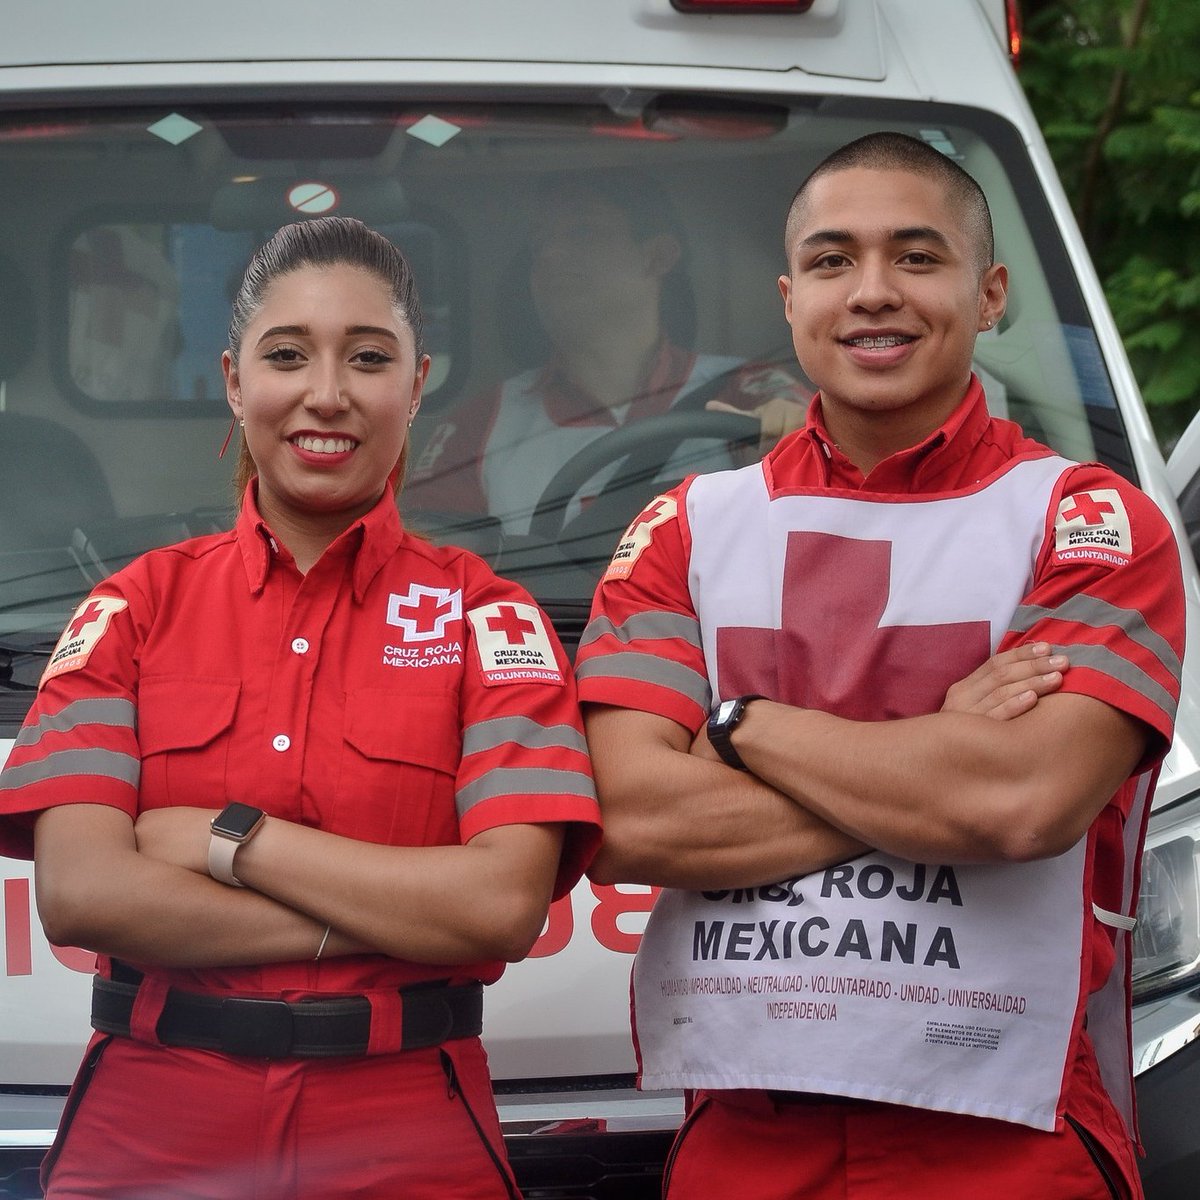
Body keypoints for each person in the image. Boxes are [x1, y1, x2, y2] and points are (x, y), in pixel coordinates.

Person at [575, 133, 1184, 1199]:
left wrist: (737, 727)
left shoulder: (1090, 522)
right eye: (830, 261)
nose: (870, 294)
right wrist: (937, 757)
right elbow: (627, 819)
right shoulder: (684, 527)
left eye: (915, 256)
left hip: (1011, 1143)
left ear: (991, 292)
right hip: (746, 1143)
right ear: (788, 297)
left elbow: (1025, 804)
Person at [0, 216, 601, 1199]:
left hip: (411, 1126)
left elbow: (499, 907)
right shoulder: (130, 609)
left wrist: (230, 842)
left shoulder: (490, 616)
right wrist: (405, 914)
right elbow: (82, 897)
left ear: (417, 385)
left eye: (369, 358)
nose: (327, 393)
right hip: (150, 1130)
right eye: (288, 356)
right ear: (236, 382)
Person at [408, 171, 811, 536]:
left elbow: (832, 478)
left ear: (656, 257)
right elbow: (430, 563)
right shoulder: (482, 421)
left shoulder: (749, 389)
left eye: (583, 233)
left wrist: (788, 454)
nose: (549, 255)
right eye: (540, 244)